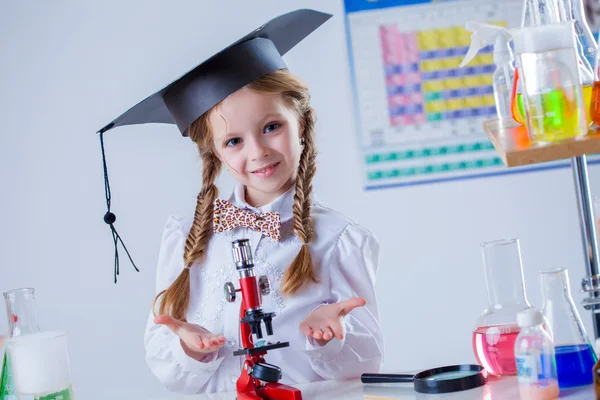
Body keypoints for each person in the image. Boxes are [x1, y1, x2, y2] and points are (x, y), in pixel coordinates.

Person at [96, 9, 383, 394]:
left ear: (301, 124)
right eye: (234, 141)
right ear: (215, 153)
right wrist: (188, 347)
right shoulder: (186, 235)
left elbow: (368, 360)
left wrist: (330, 336)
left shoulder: (338, 238)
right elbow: (166, 365)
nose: (258, 151)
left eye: (271, 127)